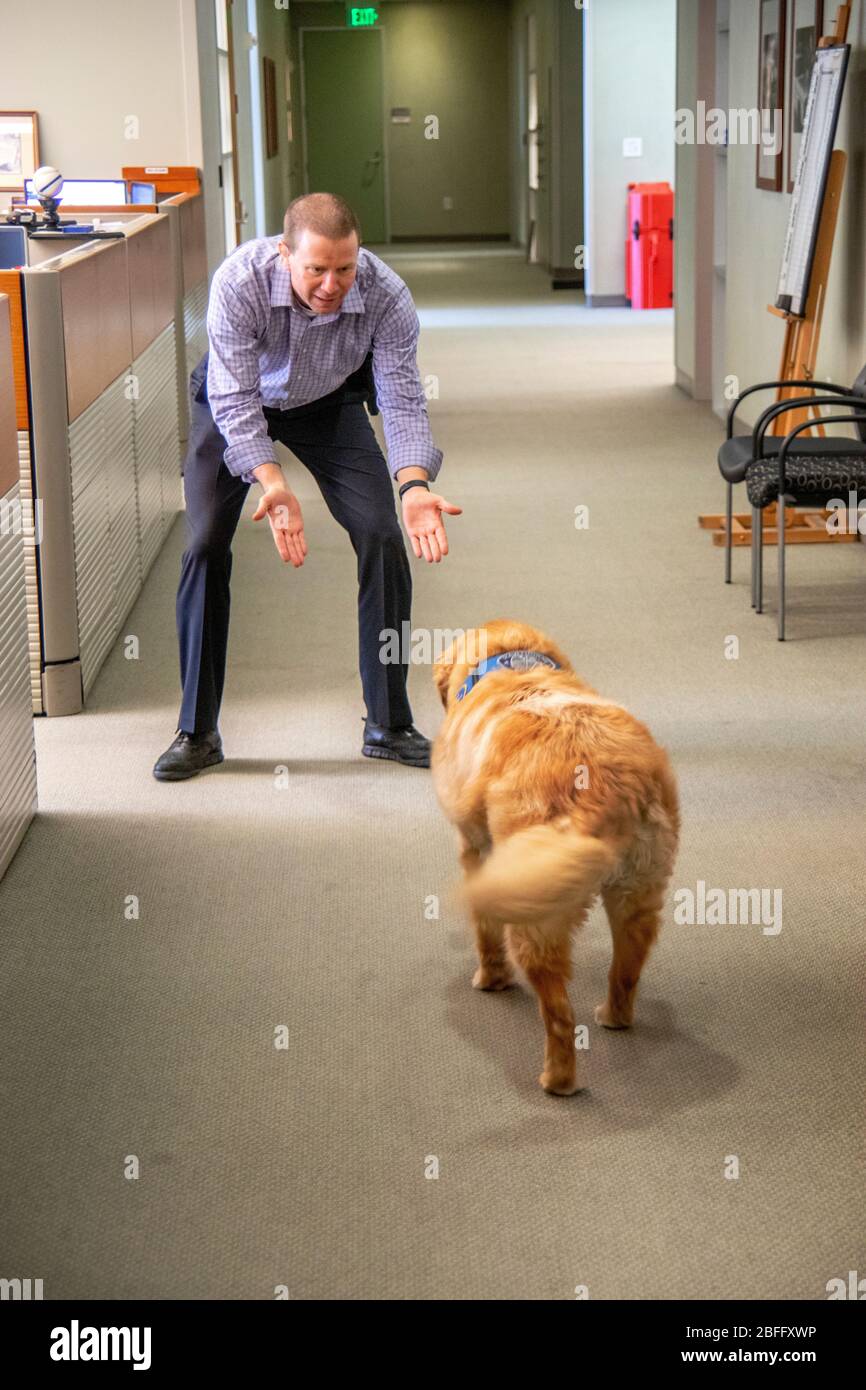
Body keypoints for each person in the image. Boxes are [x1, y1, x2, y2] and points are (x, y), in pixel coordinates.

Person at [153, 192, 460, 781]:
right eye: (316, 269)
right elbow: (235, 398)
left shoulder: (386, 294)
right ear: (285, 254)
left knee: (381, 532)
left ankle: (388, 724)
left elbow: (400, 397)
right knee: (205, 543)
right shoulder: (240, 281)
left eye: (344, 268)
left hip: (327, 401)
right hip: (234, 401)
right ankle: (197, 730)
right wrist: (269, 478)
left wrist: (414, 483)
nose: (331, 284)